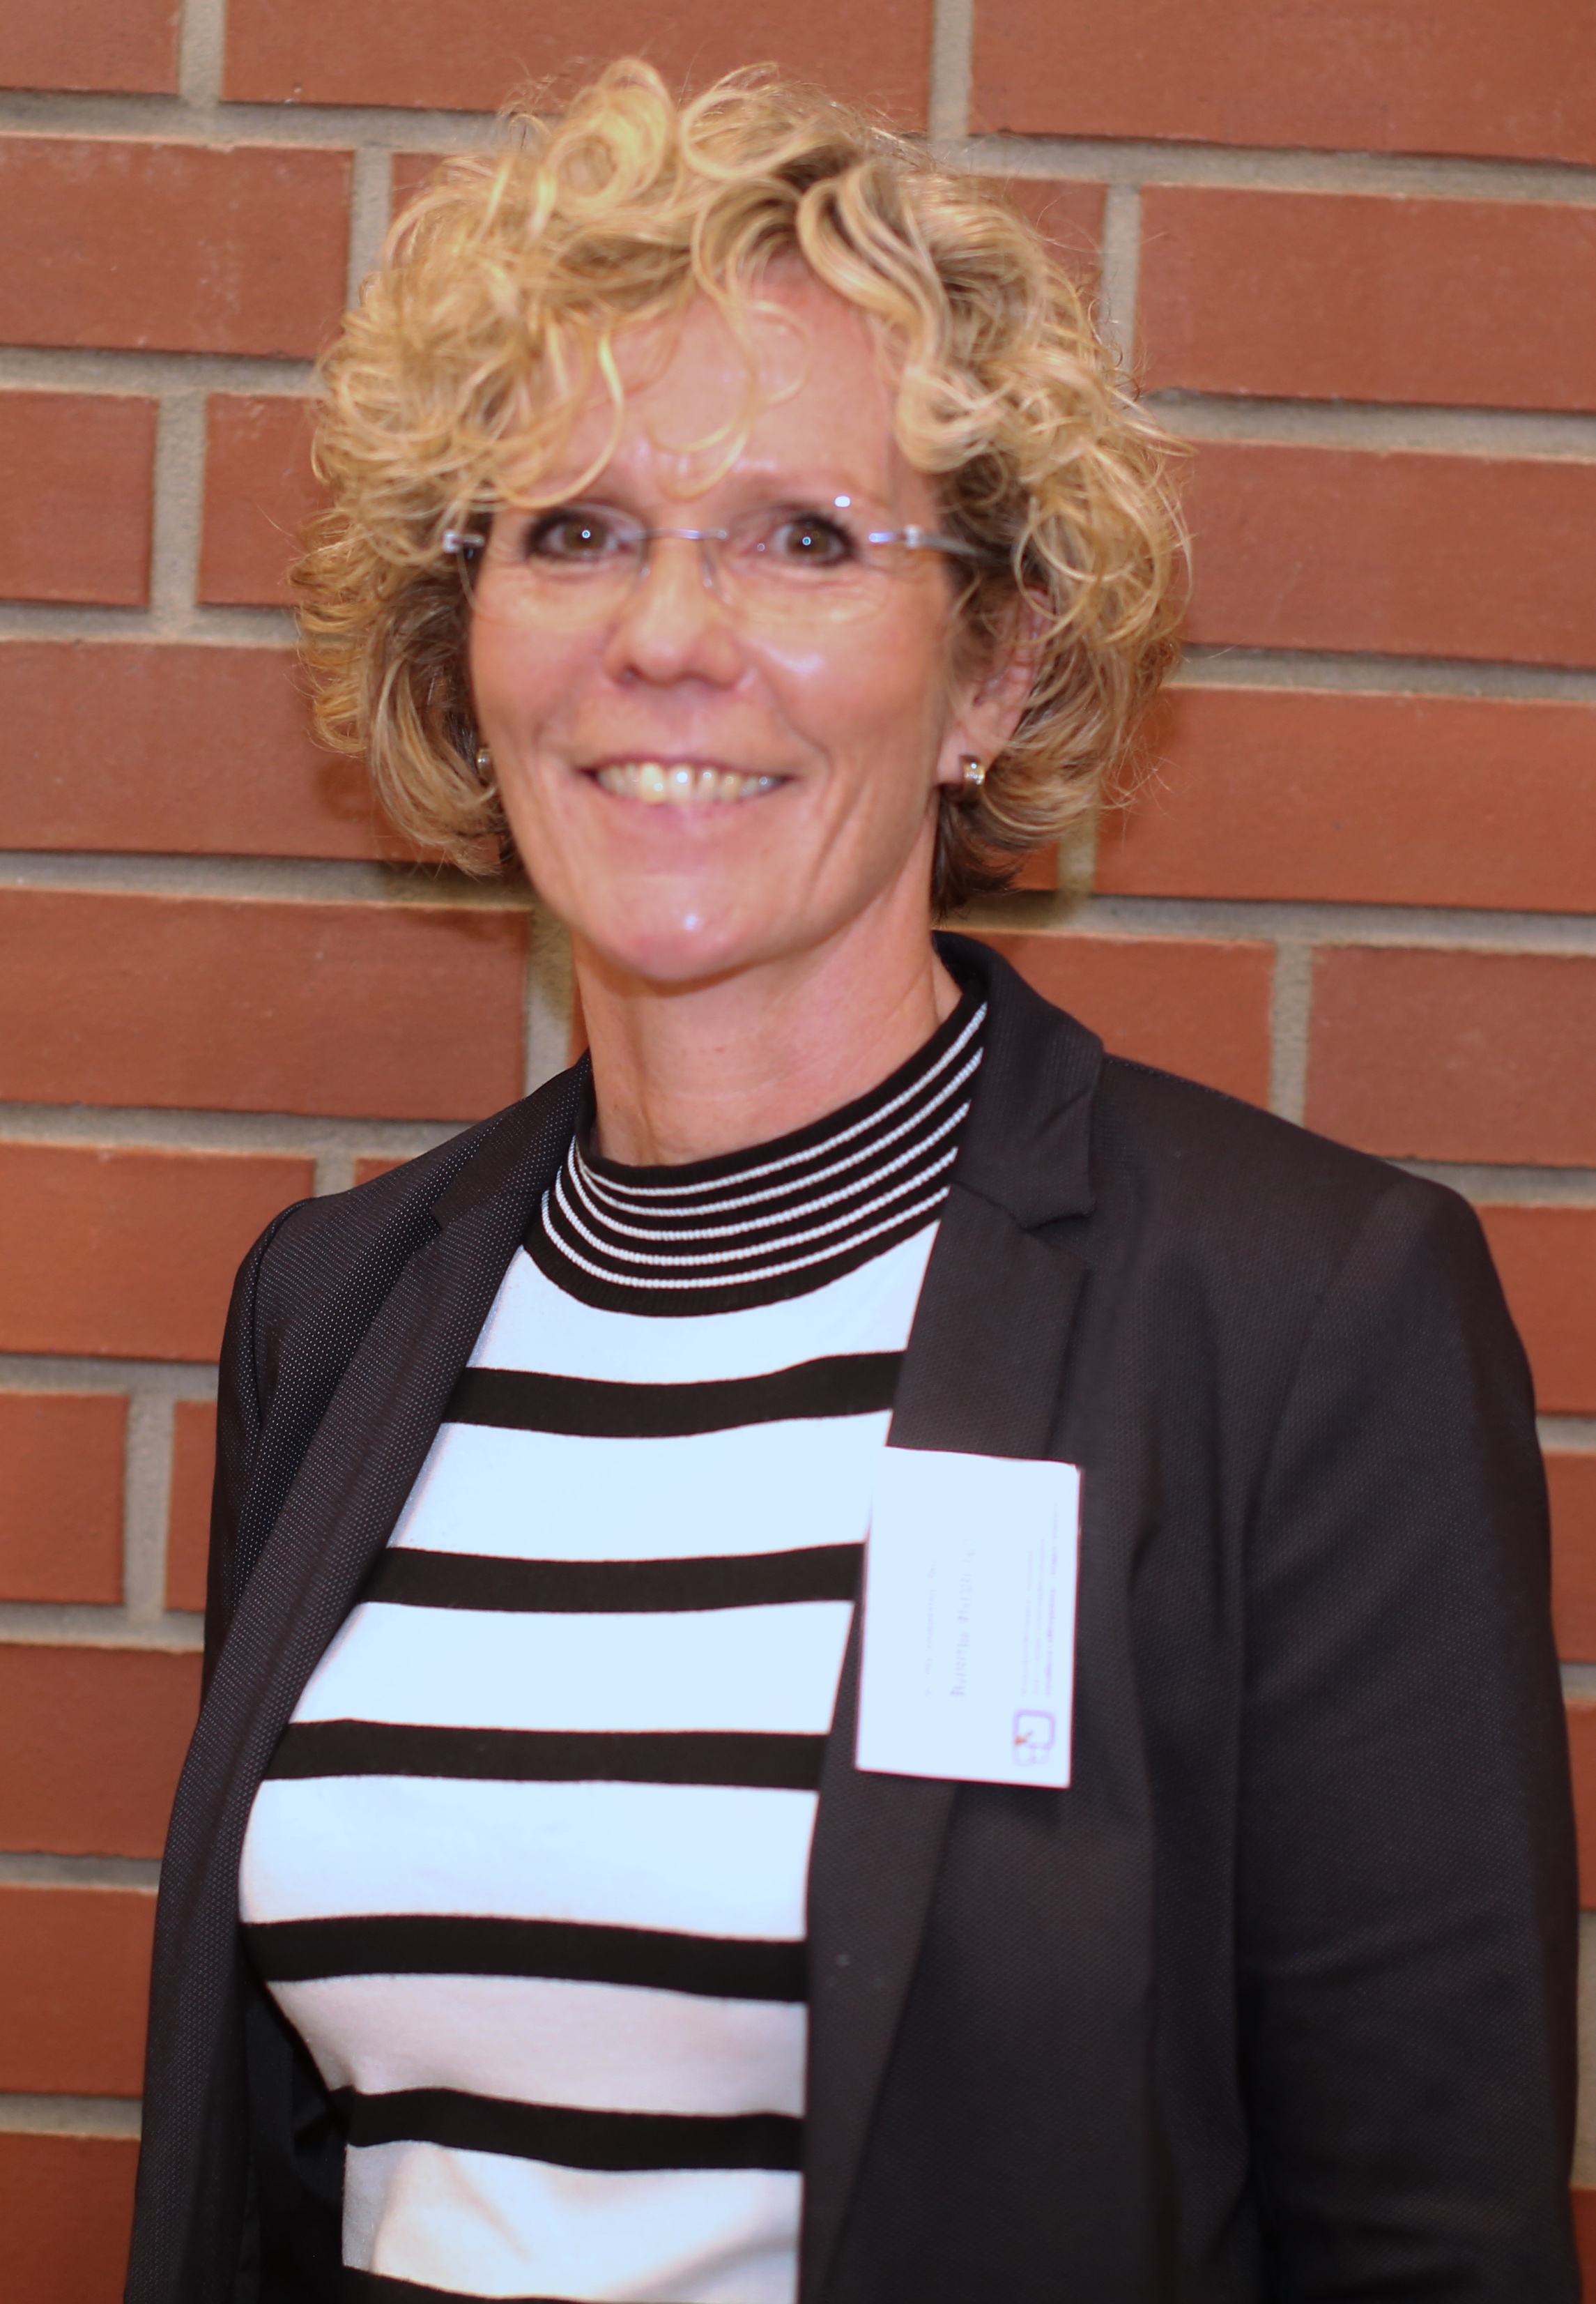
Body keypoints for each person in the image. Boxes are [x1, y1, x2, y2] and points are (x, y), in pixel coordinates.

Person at [128, 59, 1578, 2304]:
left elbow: (1427, 2239)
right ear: (461, 637)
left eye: (804, 535)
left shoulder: (1291, 1318)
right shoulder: (340, 1308)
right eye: (573, 529)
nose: (667, 631)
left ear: (992, 666)